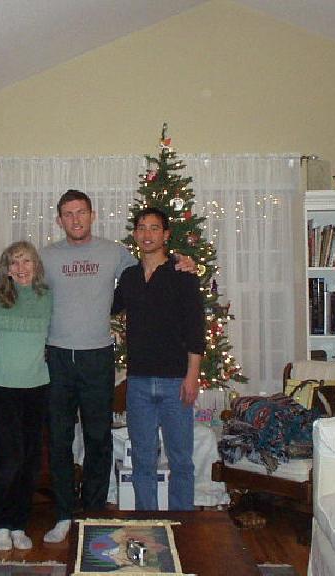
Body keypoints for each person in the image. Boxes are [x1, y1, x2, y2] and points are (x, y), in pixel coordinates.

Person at [40, 190, 195, 542]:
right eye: (68, 214)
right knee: (60, 441)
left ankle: (93, 512)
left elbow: (152, 270)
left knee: (99, 440)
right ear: (59, 219)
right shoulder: (46, 257)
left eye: (81, 212)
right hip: (58, 357)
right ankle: (64, 514)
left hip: (98, 357)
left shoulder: (116, 254)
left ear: (92, 215)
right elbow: (22, 289)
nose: (75, 219)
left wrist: (182, 262)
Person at [111, 207, 205, 510]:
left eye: (154, 228)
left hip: (176, 382)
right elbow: (105, 307)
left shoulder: (182, 275)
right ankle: (148, 524)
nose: (147, 234)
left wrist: (192, 376)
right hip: (137, 382)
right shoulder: (129, 277)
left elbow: (195, 329)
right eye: (141, 228)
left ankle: (183, 526)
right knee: (143, 460)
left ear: (165, 235)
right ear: (135, 234)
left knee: (180, 460)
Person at [0, 241, 52, 551]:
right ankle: (2, 524)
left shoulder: (47, 297)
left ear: (35, 265)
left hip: (36, 388)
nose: (21, 268)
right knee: (9, 460)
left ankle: (19, 525)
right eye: (14, 263)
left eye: (26, 261)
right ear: (6, 269)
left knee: (29, 462)